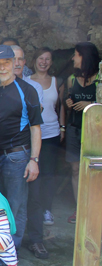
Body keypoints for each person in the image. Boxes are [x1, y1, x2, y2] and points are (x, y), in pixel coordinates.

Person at [0, 45, 43, 252]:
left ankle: (12, 251)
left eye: (6, 63)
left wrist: (33, 160)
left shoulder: (27, 90)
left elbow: (36, 129)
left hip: (17, 156)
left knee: (16, 206)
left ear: (14, 63)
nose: (2, 68)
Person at [26, 47, 67, 259]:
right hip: (33, 134)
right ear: (34, 61)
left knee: (49, 173)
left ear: (51, 63)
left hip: (50, 132)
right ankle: (32, 211)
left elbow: (60, 106)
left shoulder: (56, 81)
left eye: (48, 59)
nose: (44, 62)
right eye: (41, 59)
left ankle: (46, 209)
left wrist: (62, 127)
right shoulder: (27, 80)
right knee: (34, 174)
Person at [65, 42, 100, 224]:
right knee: (75, 169)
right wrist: (69, 103)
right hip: (75, 129)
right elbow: (69, 100)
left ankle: (94, 208)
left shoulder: (100, 80)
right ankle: (79, 209)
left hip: (95, 134)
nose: (73, 58)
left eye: (76, 54)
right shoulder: (72, 79)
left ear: (85, 57)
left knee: (95, 171)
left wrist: (91, 106)